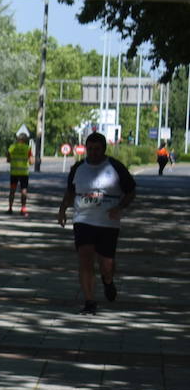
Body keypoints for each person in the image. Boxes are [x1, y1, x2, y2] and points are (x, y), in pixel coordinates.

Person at [57, 131, 135, 315]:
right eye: (90, 149)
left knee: (106, 264)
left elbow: (131, 191)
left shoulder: (115, 167)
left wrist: (120, 207)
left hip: (108, 222)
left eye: (97, 149)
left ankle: (108, 281)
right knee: (85, 258)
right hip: (83, 219)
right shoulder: (78, 168)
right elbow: (70, 192)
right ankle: (89, 301)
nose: (93, 152)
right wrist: (62, 210)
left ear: (104, 150)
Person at [7, 132, 33, 215]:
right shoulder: (27, 148)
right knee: (24, 191)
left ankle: (10, 208)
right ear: (25, 140)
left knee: (12, 191)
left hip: (14, 173)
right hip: (24, 173)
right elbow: (31, 161)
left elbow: (8, 159)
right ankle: (23, 208)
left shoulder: (12, 147)